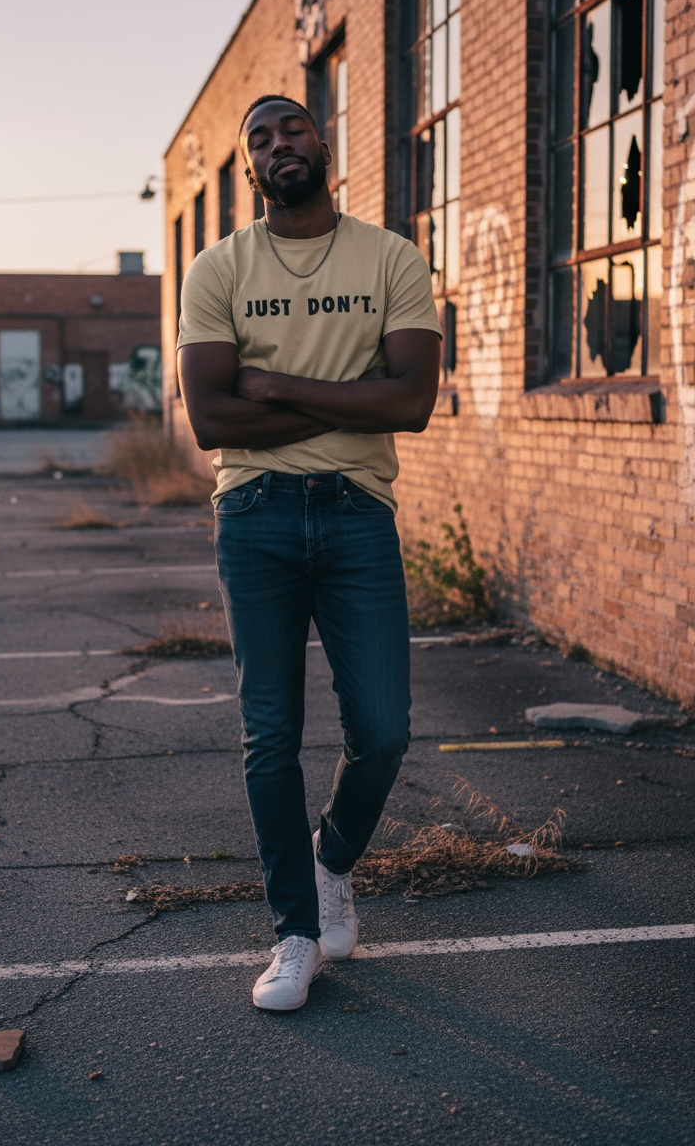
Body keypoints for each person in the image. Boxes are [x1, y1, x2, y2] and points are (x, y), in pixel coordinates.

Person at [177, 95, 442, 1010]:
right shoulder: (217, 269)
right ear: (249, 168)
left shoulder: (391, 258)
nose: (275, 144)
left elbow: (410, 402)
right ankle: (294, 931)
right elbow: (213, 418)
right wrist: (347, 393)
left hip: (357, 510)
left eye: (289, 128)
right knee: (270, 737)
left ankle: (334, 862)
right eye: (257, 139)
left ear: (323, 139)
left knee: (383, 730)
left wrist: (277, 385)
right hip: (251, 517)